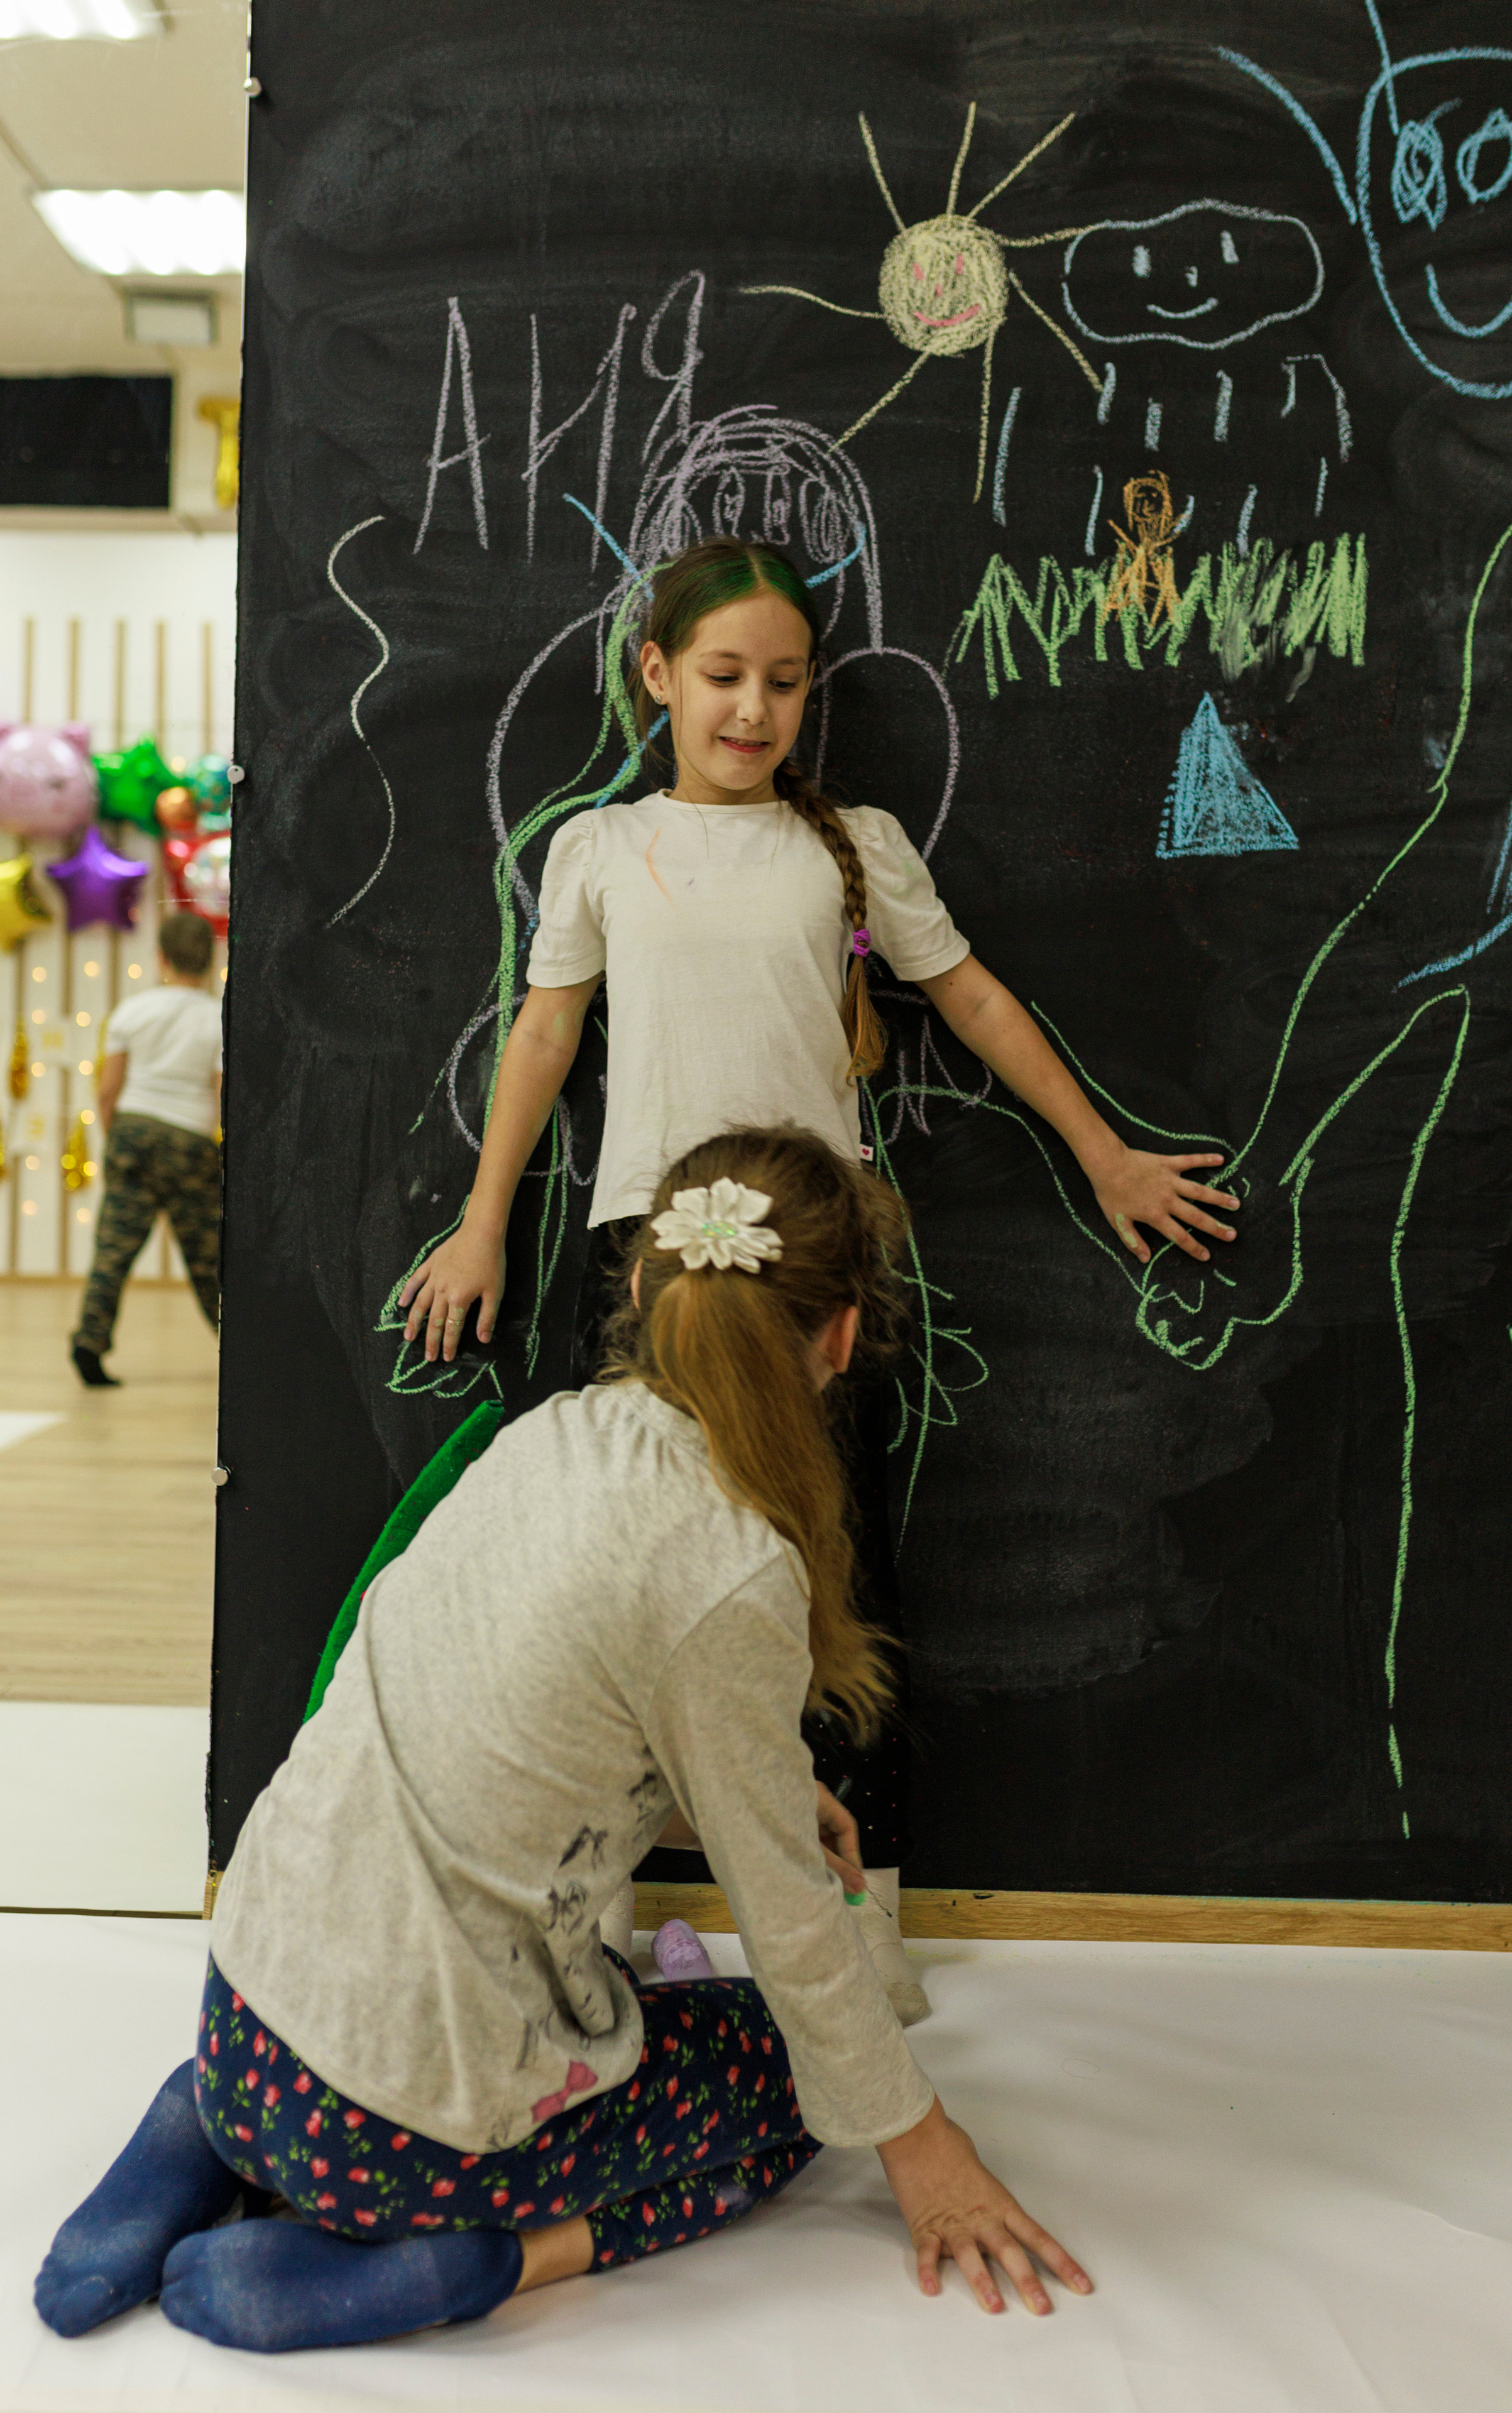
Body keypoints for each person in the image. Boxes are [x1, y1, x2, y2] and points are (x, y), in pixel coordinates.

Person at [35, 1127, 1092, 2352]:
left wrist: (754, 1795)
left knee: (369, 2000)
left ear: (641, 1287)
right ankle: (455, 2269)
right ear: (842, 1338)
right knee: (801, 2089)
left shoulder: (545, 1438)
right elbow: (797, 1934)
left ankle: (189, 2138)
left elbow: (525, 1724)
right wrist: (923, 2146)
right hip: (390, 2139)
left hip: (246, 2016)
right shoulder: (727, 1569)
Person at [399, 535, 1242, 2015]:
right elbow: (541, 1038)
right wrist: (481, 1224)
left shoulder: (846, 840)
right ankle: (587, 1910)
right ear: (656, 675)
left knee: (823, 1585)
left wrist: (1105, 1157)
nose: (750, 708)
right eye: (721, 676)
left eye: (781, 683)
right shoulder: (596, 848)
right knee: (613, 1580)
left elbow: (968, 995)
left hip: (816, 1269)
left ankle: (856, 1930)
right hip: (645, 1261)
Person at [70, 911, 223, 1388]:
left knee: (113, 1249)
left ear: (160, 957)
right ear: (210, 959)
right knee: (209, 1258)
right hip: (190, 1138)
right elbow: (222, 1094)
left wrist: (116, 1136)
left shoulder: (131, 1012)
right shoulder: (219, 1017)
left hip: (133, 1131)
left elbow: (107, 1089)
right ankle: (238, 1347)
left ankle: (89, 1344)